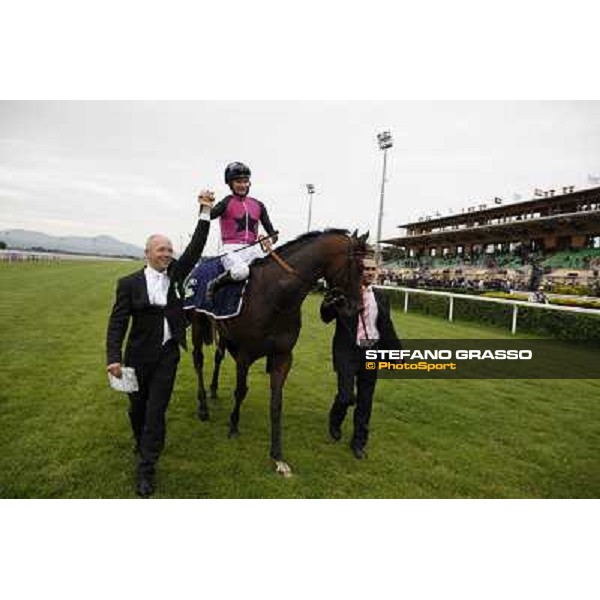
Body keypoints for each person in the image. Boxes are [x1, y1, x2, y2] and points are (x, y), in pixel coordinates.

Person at [106, 191, 214, 497]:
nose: (168, 254)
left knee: (156, 412)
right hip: (136, 358)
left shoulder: (177, 275)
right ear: (148, 253)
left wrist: (205, 211)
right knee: (137, 410)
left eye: (170, 249)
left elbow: (196, 247)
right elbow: (117, 323)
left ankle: (146, 469)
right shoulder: (128, 284)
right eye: (162, 249)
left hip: (168, 356)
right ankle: (141, 442)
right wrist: (113, 358)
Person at [321, 255, 402, 459]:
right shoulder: (343, 292)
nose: (370, 272)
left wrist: (395, 352)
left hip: (371, 350)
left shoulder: (382, 296)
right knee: (347, 396)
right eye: (366, 268)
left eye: (373, 269)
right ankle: (335, 418)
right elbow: (325, 317)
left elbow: (386, 327)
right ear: (357, 270)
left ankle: (359, 442)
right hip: (347, 351)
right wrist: (330, 302)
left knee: (365, 400)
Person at [206, 161, 278, 301]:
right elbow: (207, 216)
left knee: (273, 272)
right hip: (231, 249)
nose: (243, 185)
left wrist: (269, 240)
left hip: (253, 249)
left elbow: (272, 233)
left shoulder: (259, 205)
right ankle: (214, 284)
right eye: (238, 181)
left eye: (246, 181)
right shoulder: (226, 202)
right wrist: (206, 204)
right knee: (241, 271)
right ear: (230, 183)